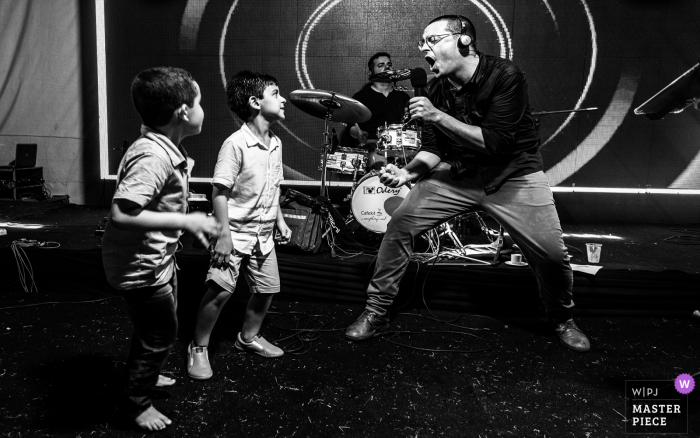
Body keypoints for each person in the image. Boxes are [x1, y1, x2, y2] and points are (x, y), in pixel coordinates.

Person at [344, 15, 591, 353]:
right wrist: (407, 174)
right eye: (421, 43)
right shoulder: (435, 90)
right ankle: (376, 311)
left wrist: (436, 115)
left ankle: (561, 317)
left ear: (463, 41)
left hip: (514, 176)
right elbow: (434, 149)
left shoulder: (506, 76)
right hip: (458, 176)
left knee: (551, 254)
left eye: (431, 40)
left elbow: (496, 143)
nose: (422, 49)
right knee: (400, 224)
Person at [101, 66, 221, 431]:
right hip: (140, 269)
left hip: (157, 262)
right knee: (159, 334)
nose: (204, 109)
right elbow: (122, 211)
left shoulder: (163, 147)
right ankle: (135, 402)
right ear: (183, 112)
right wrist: (188, 222)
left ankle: (147, 375)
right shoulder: (153, 155)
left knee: (155, 327)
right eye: (199, 102)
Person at [187, 70, 292, 380]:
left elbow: (273, 187)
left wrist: (281, 221)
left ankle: (248, 337)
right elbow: (218, 193)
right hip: (233, 233)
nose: (282, 98)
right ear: (254, 102)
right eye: (275, 93)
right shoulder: (235, 144)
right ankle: (198, 347)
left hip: (263, 235)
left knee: (267, 289)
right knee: (219, 292)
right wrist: (223, 237)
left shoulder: (276, 143)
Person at [347, 52, 411, 169]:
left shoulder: (404, 97)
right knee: (379, 161)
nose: (387, 67)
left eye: (389, 64)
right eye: (380, 65)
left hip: (400, 148)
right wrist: (358, 133)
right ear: (371, 73)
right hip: (372, 146)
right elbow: (351, 127)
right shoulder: (361, 97)